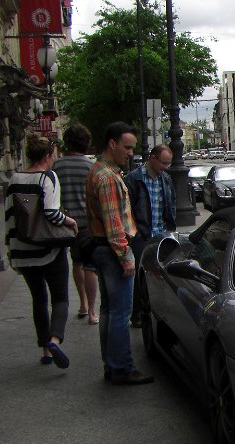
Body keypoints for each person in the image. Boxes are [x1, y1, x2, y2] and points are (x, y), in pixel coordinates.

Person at [85, 122, 153, 385]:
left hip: (100, 248)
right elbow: (114, 224)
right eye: (127, 147)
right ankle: (122, 368)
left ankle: (112, 365)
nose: (130, 153)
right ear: (112, 143)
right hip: (113, 251)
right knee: (120, 313)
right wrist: (125, 256)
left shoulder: (97, 171)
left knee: (109, 311)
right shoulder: (108, 178)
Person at [5, 133, 78, 369]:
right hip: (48, 249)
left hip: (23, 250)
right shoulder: (48, 177)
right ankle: (55, 339)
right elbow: (51, 213)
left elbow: (9, 217)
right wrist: (70, 222)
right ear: (48, 155)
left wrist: (11, 248)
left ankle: (46, 350)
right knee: (60, 298)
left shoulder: (14, 178)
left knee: (38, 299)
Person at [123, 144, 177, 328]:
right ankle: (137, 313)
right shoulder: (134, 179)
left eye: (168, 163)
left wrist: (170, 226)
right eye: (163, 163)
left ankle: (158, 310)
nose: (166, 167)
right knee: (140, 274)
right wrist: (133, 233)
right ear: (152, 158)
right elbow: (127, 209)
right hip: (141, 235)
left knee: (161, 273)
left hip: (160, 234)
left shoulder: (166, 179)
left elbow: (171, 204)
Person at [53, 123, 98, 324]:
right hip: (88, 224)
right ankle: (92, 312)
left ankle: (82, 304)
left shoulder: (56, 166)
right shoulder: (91, 167)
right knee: (90, 266)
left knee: (76, 262)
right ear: (86, 144)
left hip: (64, 224)